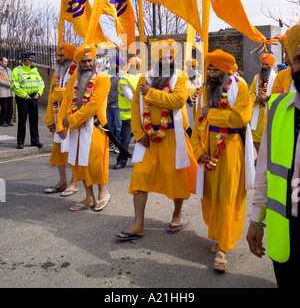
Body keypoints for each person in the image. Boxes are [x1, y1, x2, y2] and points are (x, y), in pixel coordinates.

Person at [115, 39, 198, 241]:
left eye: (171, 58)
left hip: (173, 137)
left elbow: (177, 100)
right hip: (148, 140)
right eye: (163, 58)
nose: (167, 61)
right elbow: (135, 107)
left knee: (177, 179)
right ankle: (138, 225)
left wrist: (150, 94)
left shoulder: (181, 78)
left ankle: (177, 215)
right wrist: (139, 133)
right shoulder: (146, 78)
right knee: (140, 178)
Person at [246, 23, 300, 287]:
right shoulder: (279, 108)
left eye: (266, 61)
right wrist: (256, 220)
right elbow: (267, 170)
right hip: (286, 233)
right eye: (299, 58)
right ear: (290, 62)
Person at [191, 49, 253, 272]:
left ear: (226, 70)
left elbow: (240, 118)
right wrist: (199, 151)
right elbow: (196, 123)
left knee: (227, 197)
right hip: (208, 148)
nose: (211, 73)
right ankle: (219, 235)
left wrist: (211, 113)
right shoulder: (203, 91)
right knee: (210, 197)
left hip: (231, 149)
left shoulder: (240, 86)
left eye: (216, 69)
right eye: (209, 68)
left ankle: (223, 249)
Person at [56, 43, 111, 212]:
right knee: (81, 162)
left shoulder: (102, 78)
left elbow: (93, 105)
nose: (87, 64)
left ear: (94, 61)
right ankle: (89, 197)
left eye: (89, 61)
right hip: (76, 127)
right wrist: (60, 125)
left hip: (95, 126)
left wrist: (71, 120)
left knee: (95, 162)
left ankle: (103, 192)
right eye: (83, 62)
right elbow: (66, 101)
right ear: (78, 63)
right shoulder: (74, 78)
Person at [44, 42, 78, 196]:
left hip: (72, 120)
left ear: (70, 57)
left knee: (74, 151)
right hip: (58, 119)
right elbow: (52, 96)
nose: (58, 58)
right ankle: (62, 181)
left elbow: (78, 95)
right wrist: (50, 120)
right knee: (58, 151)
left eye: (62, 55)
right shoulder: (57, 72)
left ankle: (74, 182)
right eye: (57, 55)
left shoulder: (78, 71)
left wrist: (60, 93)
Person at [10, 52, 45, 149]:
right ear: (24, 60)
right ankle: (20, 142)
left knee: (34, 120)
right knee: (22, 120)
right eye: (30, 60)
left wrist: (39, 92)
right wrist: (24, 95)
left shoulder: (34, 70)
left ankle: (35, 141)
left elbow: (41, 82)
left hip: (34, 97)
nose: (31, 62)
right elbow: (14, 85)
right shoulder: (17, 70)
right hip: (23, 98)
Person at [112, 56, 141, 170]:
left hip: (140, 113)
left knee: (141, 138)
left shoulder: (140, 77)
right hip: (129, 115)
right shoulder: (123, 79)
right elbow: (130, 98)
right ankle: (121, 160)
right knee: (125, 139)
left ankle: (141, 160)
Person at [249, 53, 276, 157]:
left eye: (266, 64)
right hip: (257, 112)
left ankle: (267, 158)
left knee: (268, 136)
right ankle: (260, 157)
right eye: (263, 64)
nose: (264, 66)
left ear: (271, 65)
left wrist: (268, 98)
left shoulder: (276, 77)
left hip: (268, 112)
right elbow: (251, 91)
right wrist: (256, 98)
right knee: (255, 135)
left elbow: (279, 93)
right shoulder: (256, 78)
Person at [106, 55, 124, 154]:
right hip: (109, 105)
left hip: (117, 105)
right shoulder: (110, 75)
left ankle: (118, 145)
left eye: (113, 63)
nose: (111, 65)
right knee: (110, 126)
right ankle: (110, 145)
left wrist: (110, 100)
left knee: (118, 126)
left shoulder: (121, 76)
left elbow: (118, 92)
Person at [185, 58, 202, 129]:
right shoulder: (183, 77)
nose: (191, 68)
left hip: (197, 104)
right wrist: (189, 101)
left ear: (196, 67)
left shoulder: (200, 78)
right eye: (189, 66)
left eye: (193, 66)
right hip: (186, 104)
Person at [0, 56, 14, 127]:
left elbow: (12, 78)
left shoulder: (9, 70)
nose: (6, 63)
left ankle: (9, 120)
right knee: (4, 107)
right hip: (3, 91)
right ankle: (3, 121)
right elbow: (0, 80)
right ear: (1, 62)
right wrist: (6, 83)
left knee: (10, 107)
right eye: (5, 61)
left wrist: (12, 83)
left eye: (7, 62)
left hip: (10, 91)